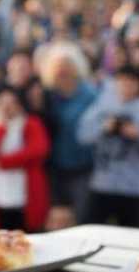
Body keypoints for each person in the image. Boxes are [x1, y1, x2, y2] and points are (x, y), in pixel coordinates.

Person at [77, 65, 139, 227]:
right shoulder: (101, 106)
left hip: (134, 187)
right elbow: (83, 136)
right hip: (102, 184)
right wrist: (104, 128)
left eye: (131, 82)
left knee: (133, 235)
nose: (126, 86)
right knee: (91, 230)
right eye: (121, 81)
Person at [0, 87, 50, 231]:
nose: (7, 108)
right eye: (2, 103)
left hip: (25, 189)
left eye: (12, 103)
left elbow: (37, 151)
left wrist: (3, 162)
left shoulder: (31, 124)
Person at [39, 42, 97, 221]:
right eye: (57, 66)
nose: (62, 71)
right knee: (56, 218)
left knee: (81, 217)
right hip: (54, 166)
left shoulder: (89, 95)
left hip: (83, 167)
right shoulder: (47, 95)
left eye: (66, 65)